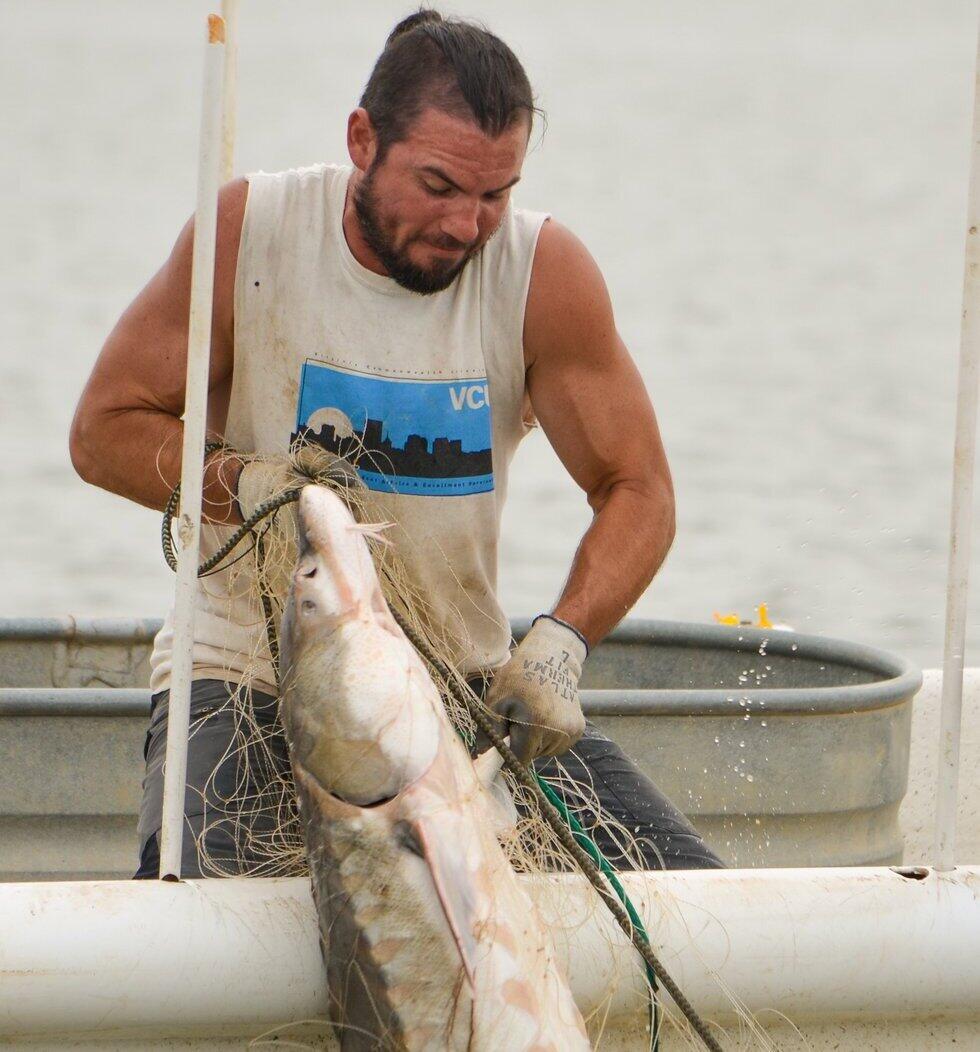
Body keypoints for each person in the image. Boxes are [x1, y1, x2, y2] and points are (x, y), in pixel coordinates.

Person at [70, 10, 722, 877]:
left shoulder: (541, 274)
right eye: (440, 185)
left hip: (458, 685)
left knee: (696, 900)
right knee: (203, 928)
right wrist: (260, 488)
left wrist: (561, 646)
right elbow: (102, 431)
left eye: (496, 194)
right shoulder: (250, 230)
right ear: (363, 140)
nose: (466, 225)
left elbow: (640, 489)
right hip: (247, 671)